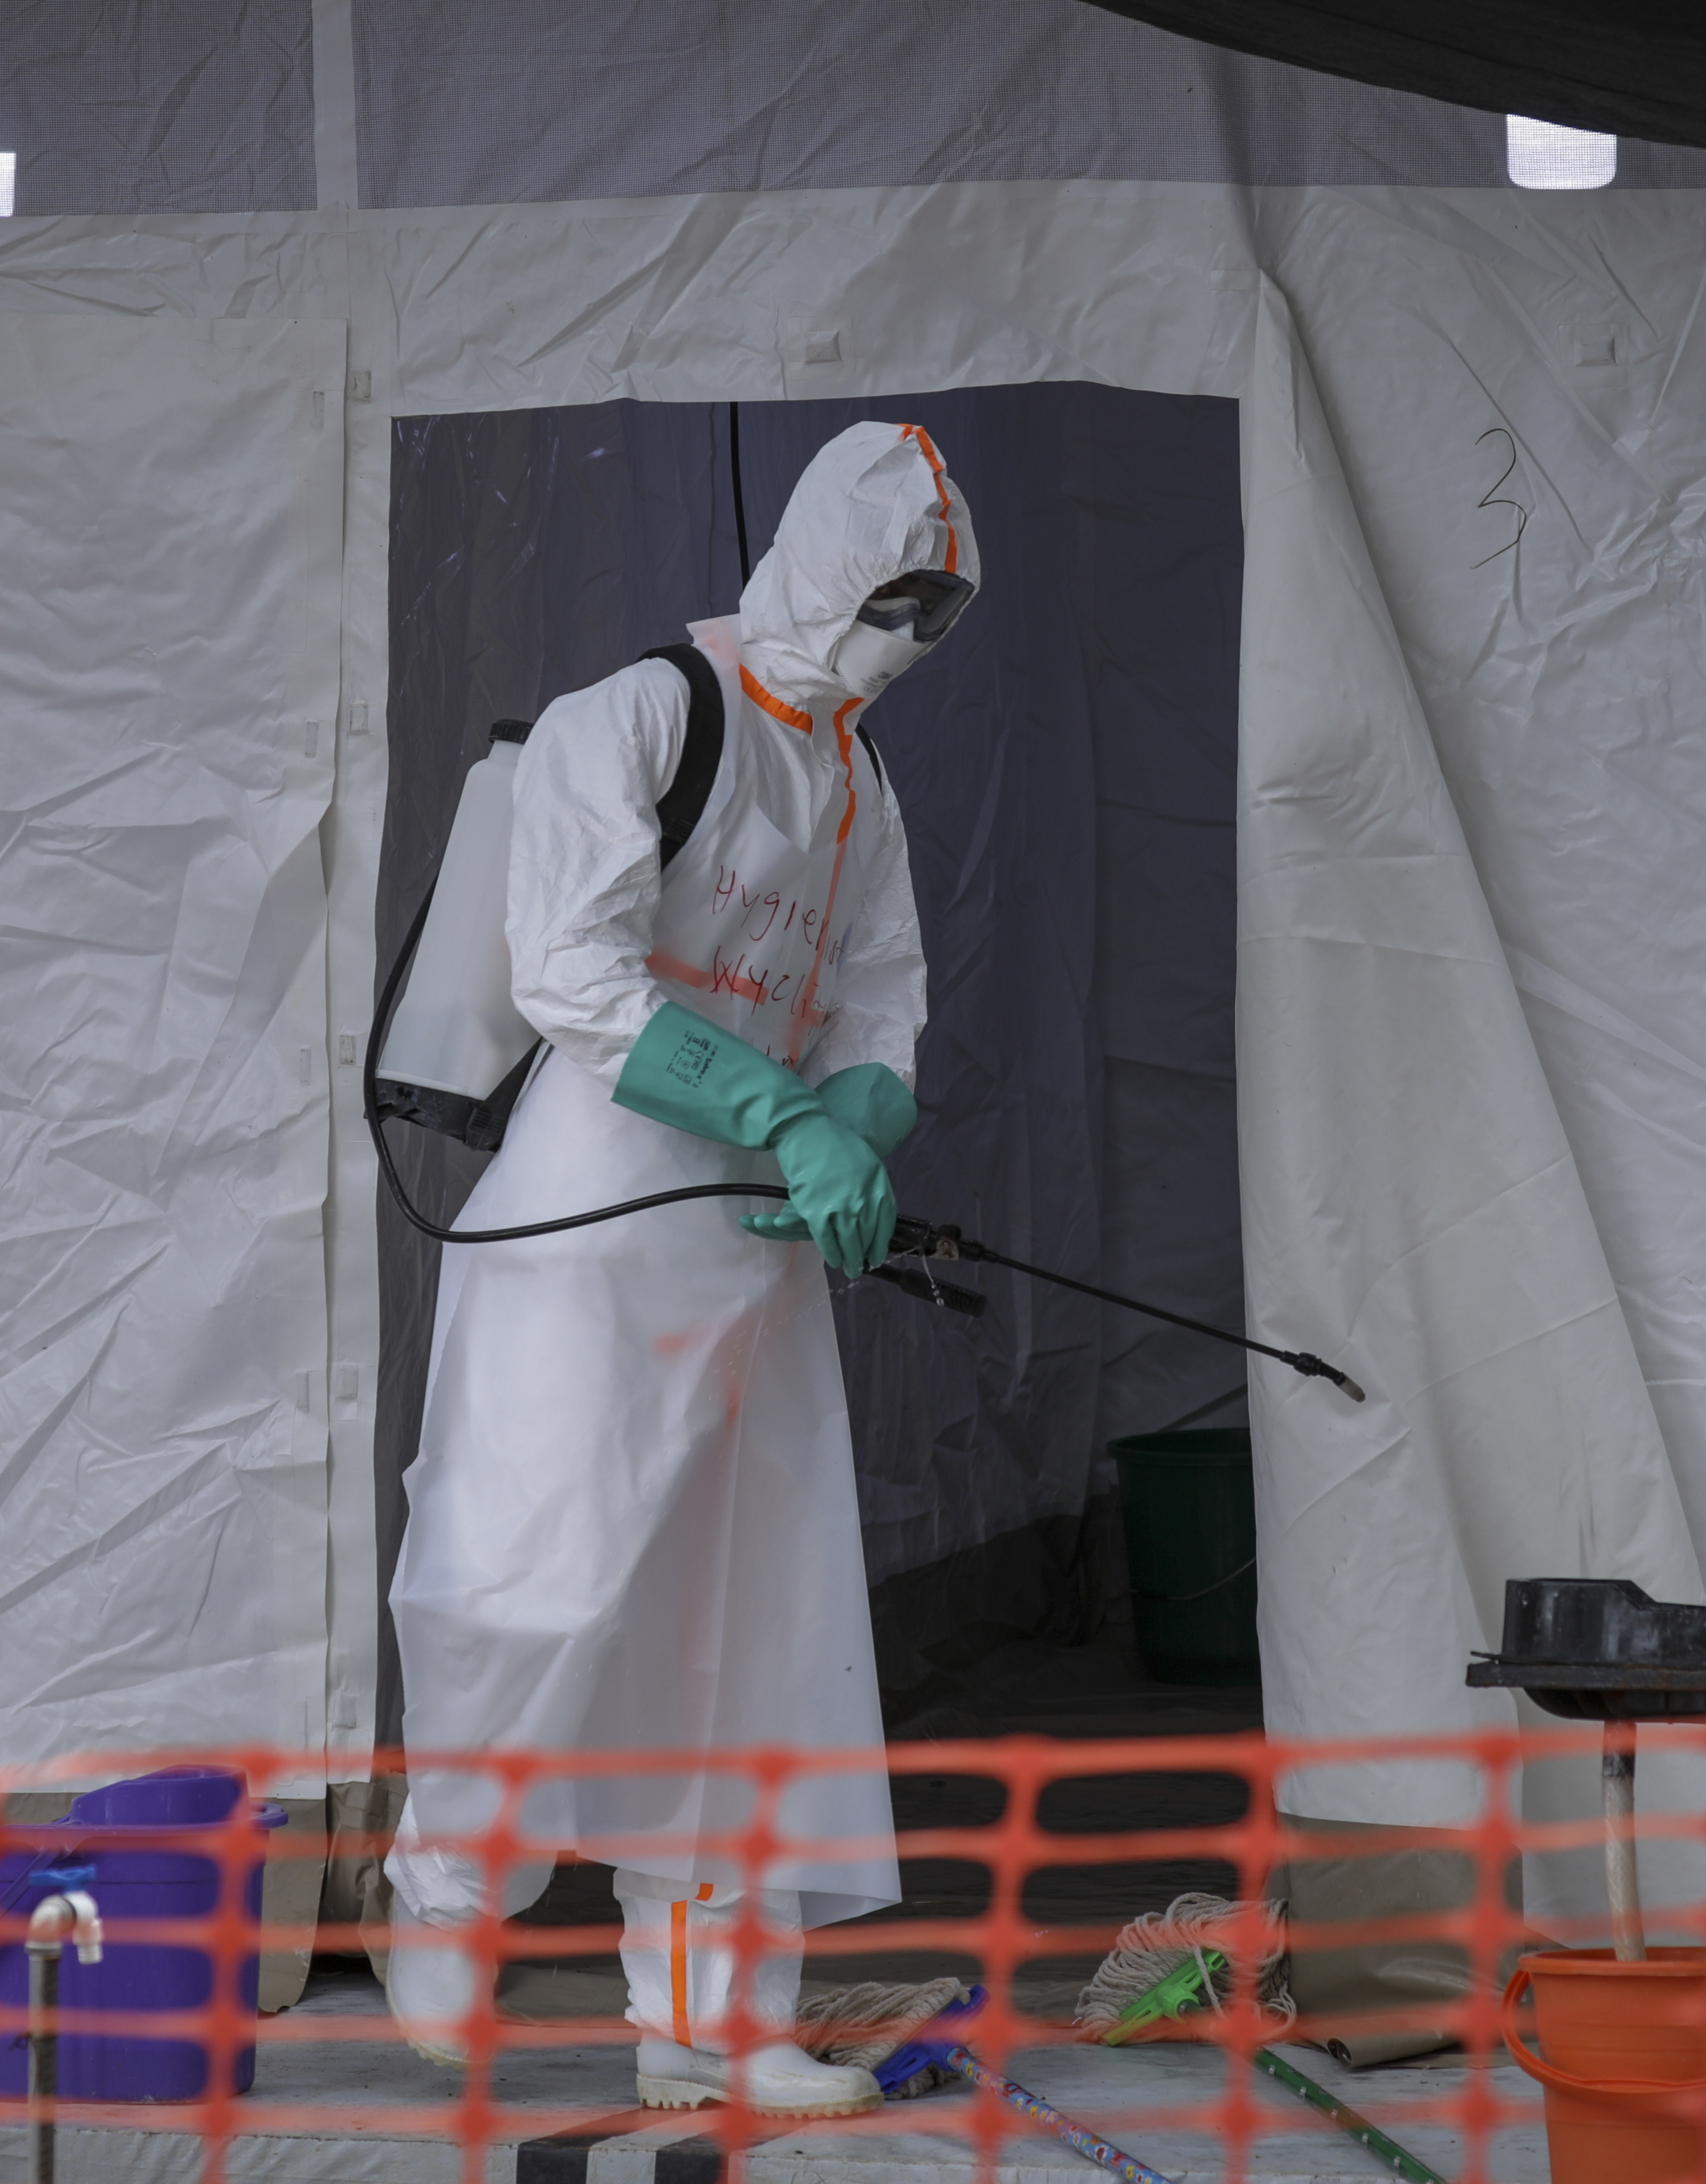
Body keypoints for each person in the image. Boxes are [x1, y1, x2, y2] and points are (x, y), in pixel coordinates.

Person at [382, 422, 978, 2118]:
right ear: (813, 564)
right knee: (532, 1571)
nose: (907, 639)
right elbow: (565, 966)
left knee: (748, 1630)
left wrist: (850, 1127)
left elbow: (881, 993)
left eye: (938, 614)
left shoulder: (859, 778)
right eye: (892, 597)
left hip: (756, 1243)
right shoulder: (639, 714)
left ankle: (713, 2014)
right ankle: (443, 1890)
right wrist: (783, 1110)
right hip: (593, 1209)